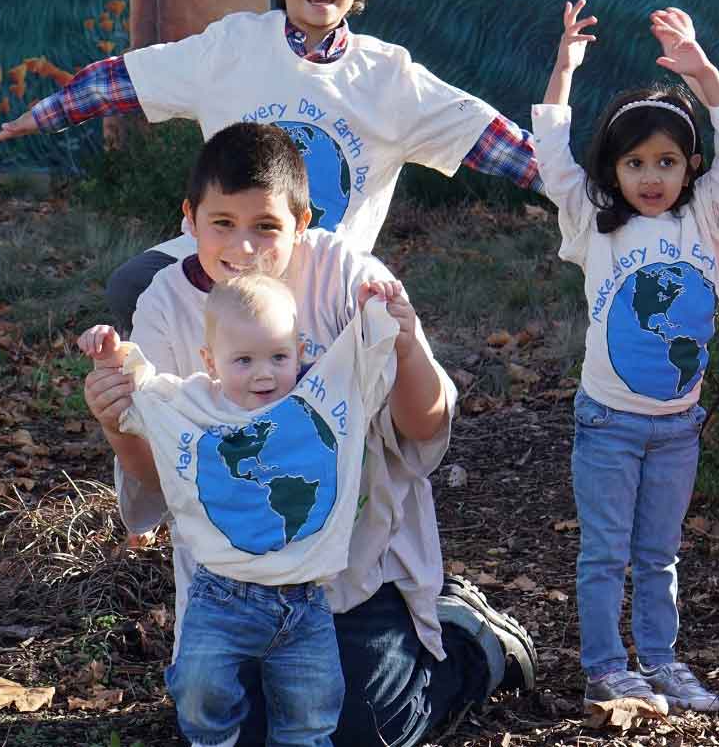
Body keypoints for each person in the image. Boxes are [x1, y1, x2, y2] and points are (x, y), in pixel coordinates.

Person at [82, 121, 536, 747]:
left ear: (303, 221)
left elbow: (427, 428)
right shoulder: (165, 302)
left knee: (361, 731)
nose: (244, 248)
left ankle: (470, 645)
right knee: (220, 727)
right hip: (232, 579)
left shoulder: (350, 278)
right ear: (189, 218)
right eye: (222, 224)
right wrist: (116, 423)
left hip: (349, 570)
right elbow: (157, 473)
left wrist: (403, 348)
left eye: (266, 226)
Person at [0, 0, 542, 333]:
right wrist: (46, 114)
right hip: (224, 256)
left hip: (320, 281)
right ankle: (191, 412)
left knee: (361, 347)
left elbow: (487, 137)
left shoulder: (389, 78)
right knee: (133, 285)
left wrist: (577, 184)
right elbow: (127, 80)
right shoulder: (232, 48)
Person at [532, 0, 719, 714]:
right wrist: (564, 70)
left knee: (660, 557)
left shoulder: (709, 221)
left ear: (690, 167)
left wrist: (703, 71)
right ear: (614, 169)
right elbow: (552, 156)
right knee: (605, 555)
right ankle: (606, 667)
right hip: (608, 423)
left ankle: (660, 660)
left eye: (666, 161)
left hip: (677, 427)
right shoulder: (596, 225)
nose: (651, 177)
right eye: (635, 163)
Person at [77, 271, 403, 747]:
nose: (264, 373)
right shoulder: (194, 405)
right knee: (197, 689)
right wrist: (110, 354)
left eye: (279, 356)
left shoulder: (322, 400)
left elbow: (366, 357)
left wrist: (373, 308)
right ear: (211, 361)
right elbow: (139, 389)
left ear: (300, 351)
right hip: (221, 598)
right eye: (244, 360)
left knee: (312, 714)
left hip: (306, 604)